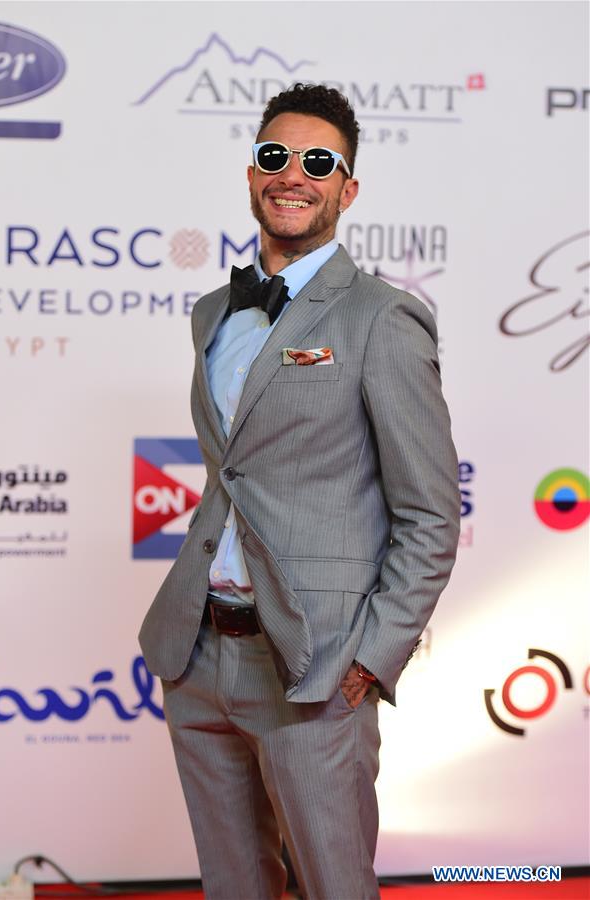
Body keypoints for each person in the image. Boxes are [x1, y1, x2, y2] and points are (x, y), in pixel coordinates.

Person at [139, 83, 460, 900]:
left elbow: (430, 513)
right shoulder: (214, 312)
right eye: (275, 156)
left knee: (333, 886)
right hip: (198, 653)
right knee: (234, 887)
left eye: (319, 162)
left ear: (347, 190)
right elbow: (233, 473)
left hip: (313, 666)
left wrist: (372, 657)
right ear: (252, 174)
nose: (294, 175)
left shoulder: (382, 318)